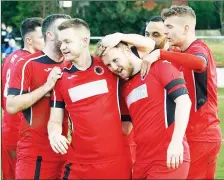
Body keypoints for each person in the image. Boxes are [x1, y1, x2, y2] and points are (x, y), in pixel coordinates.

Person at [47, 18, 154, 179]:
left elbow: (149, 45)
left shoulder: (108, 64)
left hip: (116, 161)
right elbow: (55, 119)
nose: (63, 47)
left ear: (84, 41)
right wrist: (54, 135)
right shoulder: (60, 77)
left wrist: (119, 36)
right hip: (79, 163)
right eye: (61, 42)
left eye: (67, 41)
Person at [141, 5, 222, 179]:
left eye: (169, 27)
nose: (165, 31)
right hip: (197, 135)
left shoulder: (199, 48)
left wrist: (161, 54)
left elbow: (199, 63)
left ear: (186, 28)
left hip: (201, 134)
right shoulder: (178, 53)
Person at [96, 34, 191, 179]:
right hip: (141, 160)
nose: (114, 67)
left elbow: (184, 102)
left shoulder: (160, 67)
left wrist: (176, 143)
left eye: (115, 60)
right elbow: (126, 127)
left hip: (168, 157)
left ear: (127, 51)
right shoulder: (124, 88)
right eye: (109, 65)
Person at [6, 14, 71, 179]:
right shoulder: (26, 63)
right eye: (63, 29)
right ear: (49, 35)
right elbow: (11, 106)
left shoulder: (72, 64)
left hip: (67, 150)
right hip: (35, 152)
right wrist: (46, 87)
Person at [1, 17, 44, 179]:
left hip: (7, 127)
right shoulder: (31, 62)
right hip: (21, 132)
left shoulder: (10, 57)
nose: (46, 41)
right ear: (28, 39)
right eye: (42, 37)